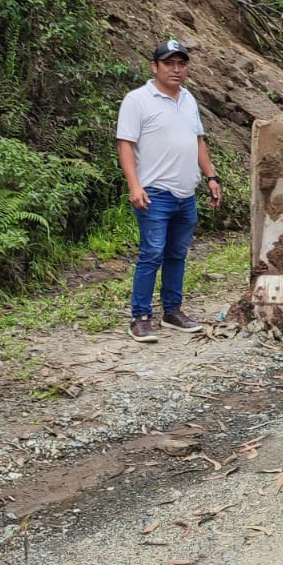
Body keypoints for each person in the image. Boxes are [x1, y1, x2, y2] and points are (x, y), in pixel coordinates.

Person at [117, 39, 222, 342]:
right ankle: (140, 317)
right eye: (169, 63)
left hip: (185, 193)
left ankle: (173, 311)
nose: (176, 69)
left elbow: (198, 141)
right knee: (151, 254)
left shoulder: (188, 98)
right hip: (154, 193)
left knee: (177, 254)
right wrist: (134, 185)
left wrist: (211, 176)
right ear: (155, 67)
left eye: (181, 64)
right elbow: (125, 144)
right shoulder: (138, 100)